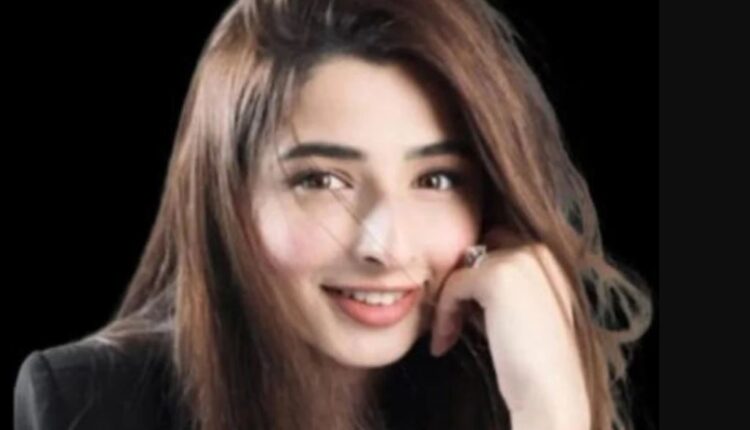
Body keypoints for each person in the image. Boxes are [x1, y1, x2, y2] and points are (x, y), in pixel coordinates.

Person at [14, 1, 652, 429]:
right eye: (321, 180)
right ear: (226, 198)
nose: (385, 246)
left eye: (435, 179)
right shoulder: (89, 402)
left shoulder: (511, 371)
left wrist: (550, 412)